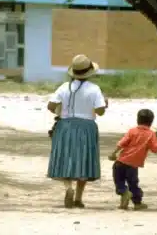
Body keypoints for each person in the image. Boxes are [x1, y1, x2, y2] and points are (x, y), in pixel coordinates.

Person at [47, 54, 108, 209]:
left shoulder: (63, 87)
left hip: (65, 126)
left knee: (65, 158)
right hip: (86, 126)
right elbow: (100, 111)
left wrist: (61, 110)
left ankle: (68, 188)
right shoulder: (95, 89)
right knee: (84, 160)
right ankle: (79, 198)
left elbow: (51, 106)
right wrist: (105, 103)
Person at [108, 109, 157, 210]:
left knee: (119, 182)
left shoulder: (132, 131)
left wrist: (113, 153)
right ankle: (137, 203)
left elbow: (121, 143)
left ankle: (124, 193)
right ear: (151, 122)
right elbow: (155, 149)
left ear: (137, 119)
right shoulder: (150, 134)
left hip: (120, 162)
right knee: (133, 184)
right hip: (132, 166)